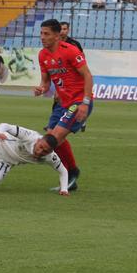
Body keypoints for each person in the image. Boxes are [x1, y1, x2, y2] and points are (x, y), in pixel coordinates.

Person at [34, 19, 93, 190]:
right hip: (62, 103)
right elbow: (46, 83)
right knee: (52, 136)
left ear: (57, 35)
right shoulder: (43, 55)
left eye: (46, 34)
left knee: (54, 139)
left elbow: (88, 76)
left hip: (78, 101)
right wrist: (41, 89)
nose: (42, 37)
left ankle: (71, 173)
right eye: (41, 33)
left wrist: (85, 103)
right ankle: (71, 175)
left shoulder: (70, 51)